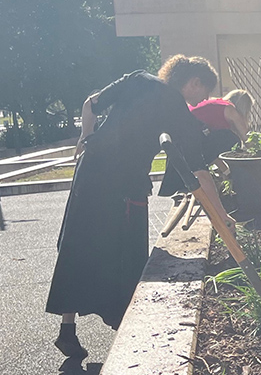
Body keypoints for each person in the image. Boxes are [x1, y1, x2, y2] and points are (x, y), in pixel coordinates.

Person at [46, 56, 234, 359]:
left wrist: (86, 138)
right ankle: (128, 333)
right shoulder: (176, 108)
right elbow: (198, 171)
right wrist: (222, 216)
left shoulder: (137, 78)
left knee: (78, 244)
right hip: (124, 185)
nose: (204, 100)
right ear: (194, 82)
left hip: (90, 172)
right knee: (124, 253)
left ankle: (67, 331)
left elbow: (89, 104)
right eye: (205, 92)